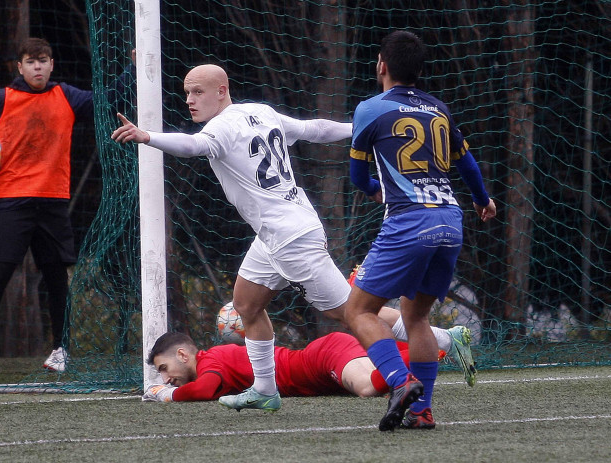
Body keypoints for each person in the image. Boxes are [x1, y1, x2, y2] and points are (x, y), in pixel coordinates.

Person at [111, 63, 477, 424]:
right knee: (246, 304)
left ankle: (445, 340)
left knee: (350, 311)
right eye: (187, 92)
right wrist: (360, 128)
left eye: (198, 92)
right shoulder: (259, 111)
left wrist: (148, 137)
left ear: (222, 91)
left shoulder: (220, 129)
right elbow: (313, 129)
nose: (190, 100)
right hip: (275, 232)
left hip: (290, 236)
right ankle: (266, 391)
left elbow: (191, 146)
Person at [0, 37, 134, 374]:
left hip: (53, 201)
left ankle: (60, 349)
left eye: (43, 61)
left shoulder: (66, 96)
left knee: (57, 277)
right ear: (20, 67)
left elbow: (107, 102)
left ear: (51, 65)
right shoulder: (1, 99)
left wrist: (133, 69)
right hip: (12, 200)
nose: (37, 67)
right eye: (31, 62)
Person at [345, 30, 497, 430]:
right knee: (416, 318)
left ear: (381, 64)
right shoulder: (439, 109)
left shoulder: (370, 109)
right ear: (420, 70)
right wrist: (483, 200)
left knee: (358, 309)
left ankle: (400, 380)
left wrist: (378, 191)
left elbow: (358, 176)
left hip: (410, 220)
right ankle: (421, 411)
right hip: (451, 220)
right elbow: (468, 165)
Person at [142, 306, 472, 403]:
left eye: (164, 367)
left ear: (184, 355)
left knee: (369, 387)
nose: (164, 376)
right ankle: (441, 342)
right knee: (377, 350)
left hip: (319, 361)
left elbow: (201, 391)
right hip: (320, 367)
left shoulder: (212, 359)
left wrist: (164, 394)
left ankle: (437, 346)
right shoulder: (214, 360)